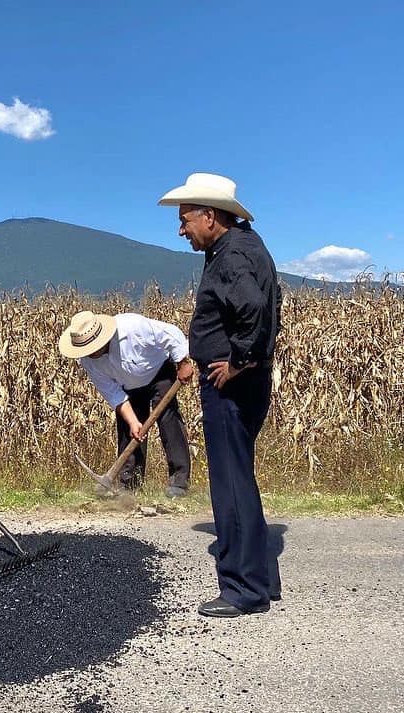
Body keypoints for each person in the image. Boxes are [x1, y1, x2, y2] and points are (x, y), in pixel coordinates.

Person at [158, 173, 283, 619]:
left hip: (231, 387)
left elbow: (252, 310)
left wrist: (238, 362)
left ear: (209, 216)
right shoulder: (246, 246)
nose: (181, 229)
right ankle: (261, 578)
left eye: (185, 219)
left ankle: (242, 590)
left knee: (229, 484)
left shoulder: (231, 255)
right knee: (240, 478)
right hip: (244, 382)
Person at [59, 311, 194, 496]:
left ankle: (179, 482)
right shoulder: (89, 361)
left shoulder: (132, 327)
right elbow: (114, 394)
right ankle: (129, 487)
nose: (90, 353)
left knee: (168, 419)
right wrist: (132, 421)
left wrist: (182, 362)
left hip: (158, 372)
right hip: (128, 388)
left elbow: (170, 334)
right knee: (129, 432)